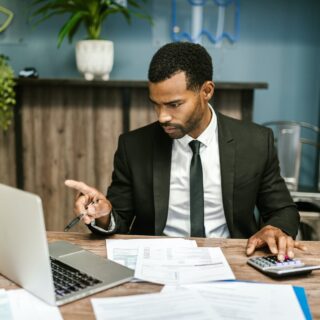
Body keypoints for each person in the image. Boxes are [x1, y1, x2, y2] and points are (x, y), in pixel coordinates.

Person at [65, 42, 306, 261]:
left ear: (206, 91)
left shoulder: (255, 141)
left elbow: (282, 209)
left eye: (174, 104)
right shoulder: (134, 146)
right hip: (156, 262)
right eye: (155, 104)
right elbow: (120, 220)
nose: (162, 116)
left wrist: (276, 229)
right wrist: (104, 215)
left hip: (233, 259)